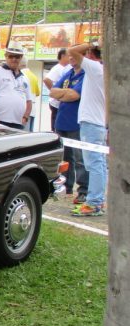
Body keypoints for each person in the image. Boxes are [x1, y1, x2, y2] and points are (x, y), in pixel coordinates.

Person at [67, 41, 106, 217]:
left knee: (94, 164)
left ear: (90, 54)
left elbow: (72, 51)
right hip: (97, 122)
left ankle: (94, 203)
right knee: (99, 164)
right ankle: (97, 200)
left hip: (91, 122)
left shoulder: (95, 67)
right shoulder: (102, 70)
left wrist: (94, 42)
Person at [49, 50, 88, 205]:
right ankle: (66, 187)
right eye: (69, 56)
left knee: (80, 159)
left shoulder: (86, 74)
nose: (71, 58)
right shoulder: (68, 73)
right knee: (65, 158)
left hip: (76, 122)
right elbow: (52, 92)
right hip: (61, 122)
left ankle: (83, 191)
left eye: (74, 55)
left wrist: (63, 94)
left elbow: (75, 95)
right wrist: (66, 93)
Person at [0, 42, 33, 130]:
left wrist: (25, 117)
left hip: (18, 123)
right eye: (11, 56)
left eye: (17, 57)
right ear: (6, 56)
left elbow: (29, 100)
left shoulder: (24, 77)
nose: (14, 59)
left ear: (21, 57)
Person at [44, 48, 70, 131]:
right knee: (56, 127)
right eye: (68, 56)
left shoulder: (66, 68)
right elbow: (46, 80)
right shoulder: (58, 68)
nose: (70, 58)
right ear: (63, 56)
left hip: (61, 103)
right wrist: (55, 93)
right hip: (56, 104)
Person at [20, 57, 41, 131]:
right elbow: (37, 93)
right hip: (33, 108)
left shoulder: (21, 76)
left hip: (23, 110)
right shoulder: (33, 76)